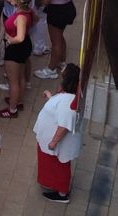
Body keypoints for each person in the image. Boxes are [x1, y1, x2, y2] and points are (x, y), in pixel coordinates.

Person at [34, 64, 83, 203]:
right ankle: (57, 187)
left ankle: (62, 194)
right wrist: (51, 97)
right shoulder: (70, 98)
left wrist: (53, 142)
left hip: (57, 145)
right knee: (56, 166)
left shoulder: (69, 103)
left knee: (60, 167)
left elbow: (63, 125)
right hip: (56, 143)